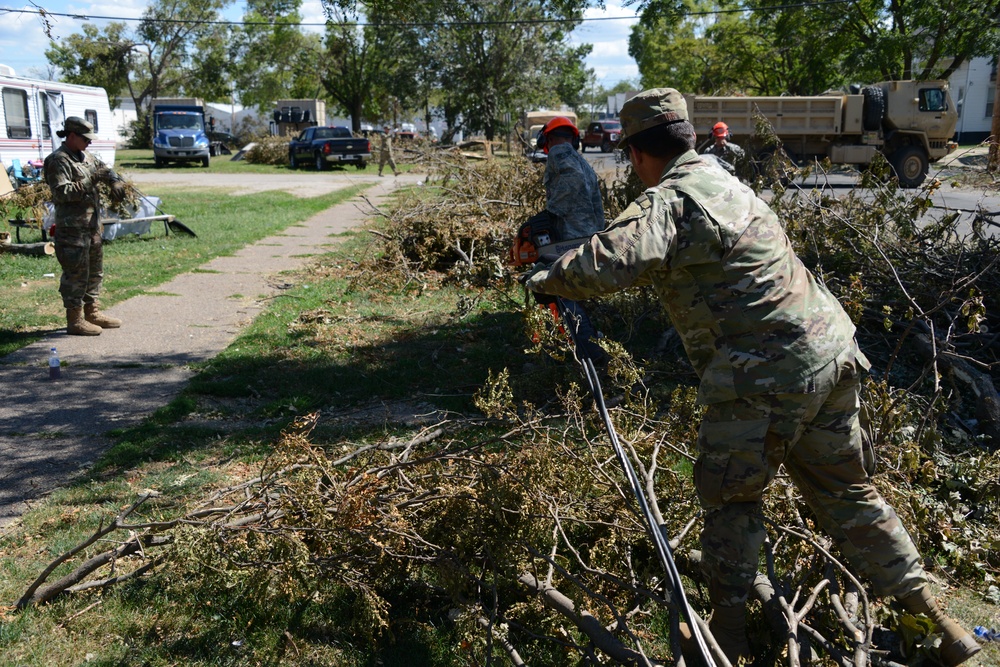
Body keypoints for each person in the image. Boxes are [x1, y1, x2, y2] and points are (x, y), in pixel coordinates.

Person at [524, 89, 980, 666]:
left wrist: (542, 279)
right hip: (831, 354)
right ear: (690, 138)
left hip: (762, 377)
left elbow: (611, 261)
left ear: (638, 154)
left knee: (732, 503)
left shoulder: (670, 198)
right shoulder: (724, 179)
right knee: (849, 492)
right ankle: (944, 623)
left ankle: (728, 638)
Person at [44, 116, 126, 336]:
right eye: (85, 138)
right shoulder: (58, 160)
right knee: (75, 274)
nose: (89, 142)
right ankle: (75, 319)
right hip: (72, 230)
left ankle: (92, 312)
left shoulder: (86, 156)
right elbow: (62, 193)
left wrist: (114, 180)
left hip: (91, 227)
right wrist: (91, 180)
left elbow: (105, 169)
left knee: (94, 272)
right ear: (71, 135)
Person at [539, 116, 604, 241]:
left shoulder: (558, 150)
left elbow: (574, 177)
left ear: (548, 138)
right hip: (590, 234)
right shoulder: (581, 162)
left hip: (571, 237)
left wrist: (551, 212)